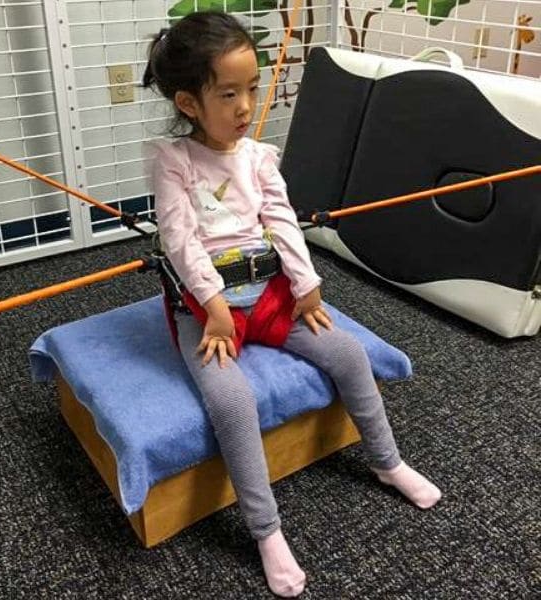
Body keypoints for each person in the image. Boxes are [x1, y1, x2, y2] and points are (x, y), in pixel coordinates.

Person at [144, 11, 441, 598]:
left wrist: (305, 284)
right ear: (187, 102)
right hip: (208, 313)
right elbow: (179, 240)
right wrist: (212, 304)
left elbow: (281, 221)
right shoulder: (172, 162)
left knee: (350, 353)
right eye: (227, 93)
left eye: (252, 89)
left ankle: (386, 460)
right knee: (233, 399)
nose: (245, 106)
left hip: (273, 299)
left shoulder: (257, 157)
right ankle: (266, 530)